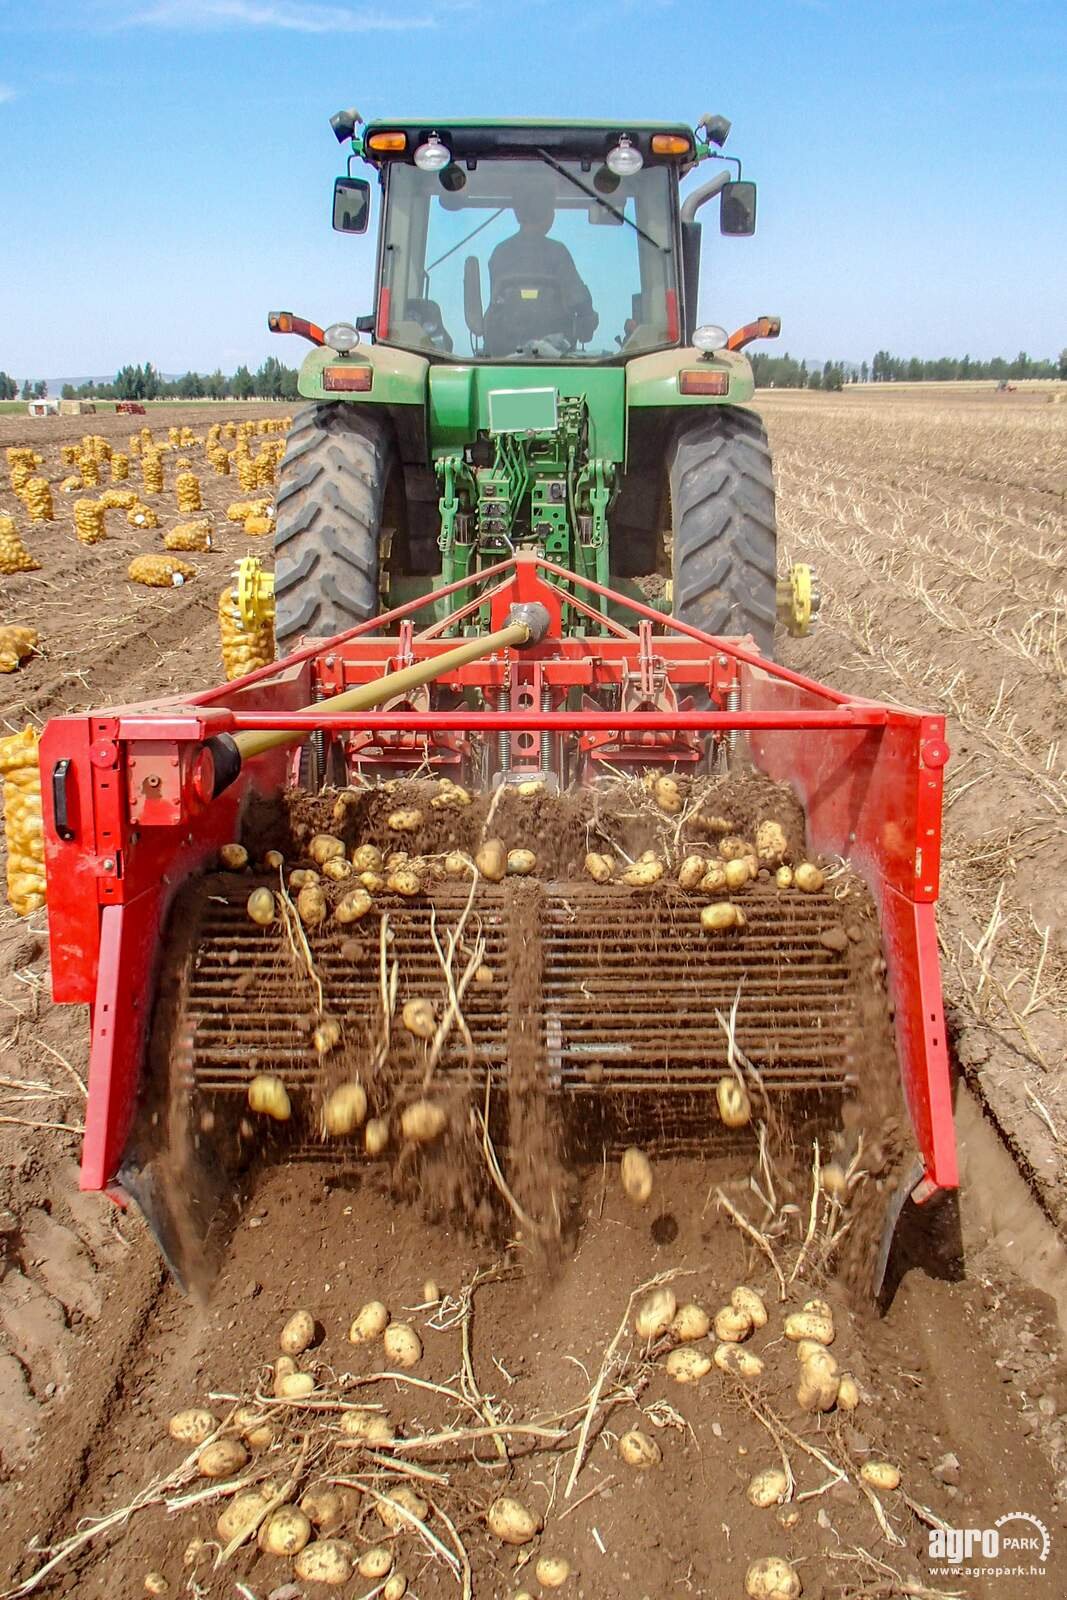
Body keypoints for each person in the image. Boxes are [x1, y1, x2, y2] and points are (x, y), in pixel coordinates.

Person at [485, 183, 597, 350]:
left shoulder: (500, 253)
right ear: (549, 215)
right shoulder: (558, 253)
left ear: (518, 213)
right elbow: (579, 302)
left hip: (503, 353)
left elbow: (497, 305)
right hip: (556, 360)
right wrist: (588, 319)